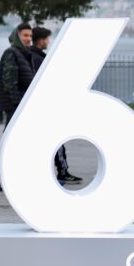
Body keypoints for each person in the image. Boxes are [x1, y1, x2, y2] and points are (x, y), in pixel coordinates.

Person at [29, 26, 81, 185]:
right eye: (47, 39)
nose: (48, 42)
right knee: (55, 140)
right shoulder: (38, 58)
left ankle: (57, 171)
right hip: (44, 106)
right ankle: (63, 171)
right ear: (41, 40)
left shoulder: (33, 56)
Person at [0, 23, 34, 192]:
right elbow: (9, 83)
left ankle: (5, 177)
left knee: (15, 142)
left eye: (30, 36)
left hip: (21, 105)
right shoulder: (11, 53)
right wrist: (18, 104)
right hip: (16, 106)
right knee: (8, 142)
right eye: (25, 36)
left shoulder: (24, 54)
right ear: (17, 36)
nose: (29, 39)